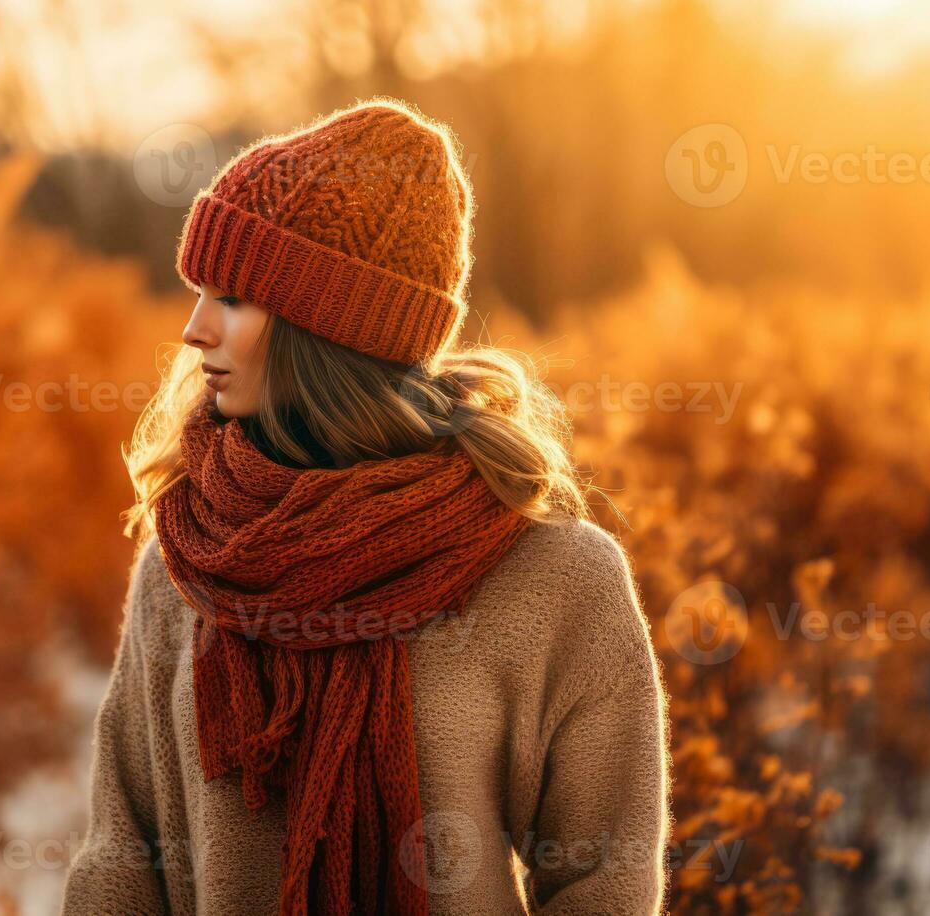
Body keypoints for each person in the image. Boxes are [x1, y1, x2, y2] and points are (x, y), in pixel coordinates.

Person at [61, 97, 670, 915]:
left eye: (234, 298)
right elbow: (121, 860)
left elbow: (606, 880)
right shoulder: (191, 560)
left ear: (331, 331)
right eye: (199, 292)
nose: (195, 329)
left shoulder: (552, 577)